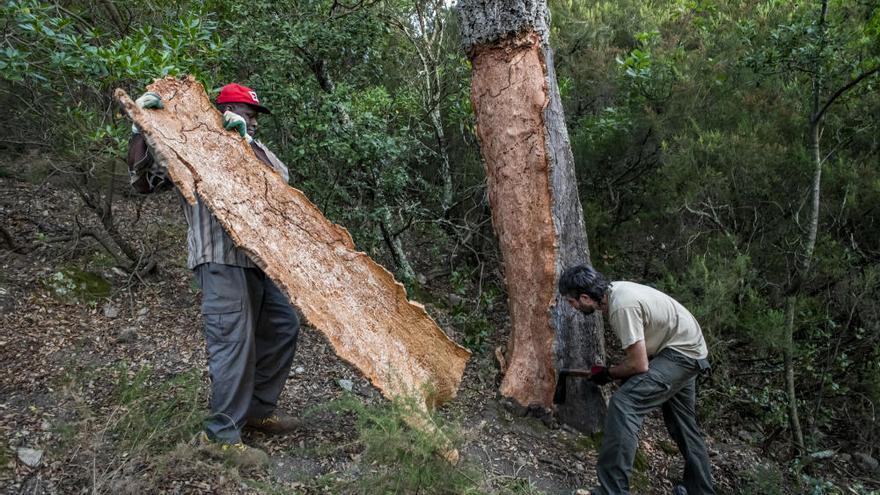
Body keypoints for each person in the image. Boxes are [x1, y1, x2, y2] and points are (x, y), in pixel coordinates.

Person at [127, 83, 301, 467]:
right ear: (221, 110)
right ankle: (221, 435)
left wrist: (243, 142)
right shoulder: (191, 143)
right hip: (219, 259)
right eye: (245, 113)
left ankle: (257, 409)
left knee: (283, 325)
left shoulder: (257, 148)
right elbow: (143, 181)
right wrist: (140, 127)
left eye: (254, 116)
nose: (252, 122)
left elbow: (280, 183)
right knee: (232, 341)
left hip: (260, 260)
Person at [558, 264, 715, 495]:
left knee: (624, 404)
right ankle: (700, 490)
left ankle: (612, 490)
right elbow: (640, 356)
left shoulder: (621, 306)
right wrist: (616, 373)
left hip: (681, 354)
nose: (572, 307)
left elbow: (638, 365)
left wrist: (608, 373)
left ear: (585, 297)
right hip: (689, 349)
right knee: (683, 423)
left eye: (572, 302)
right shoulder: (616, 293)